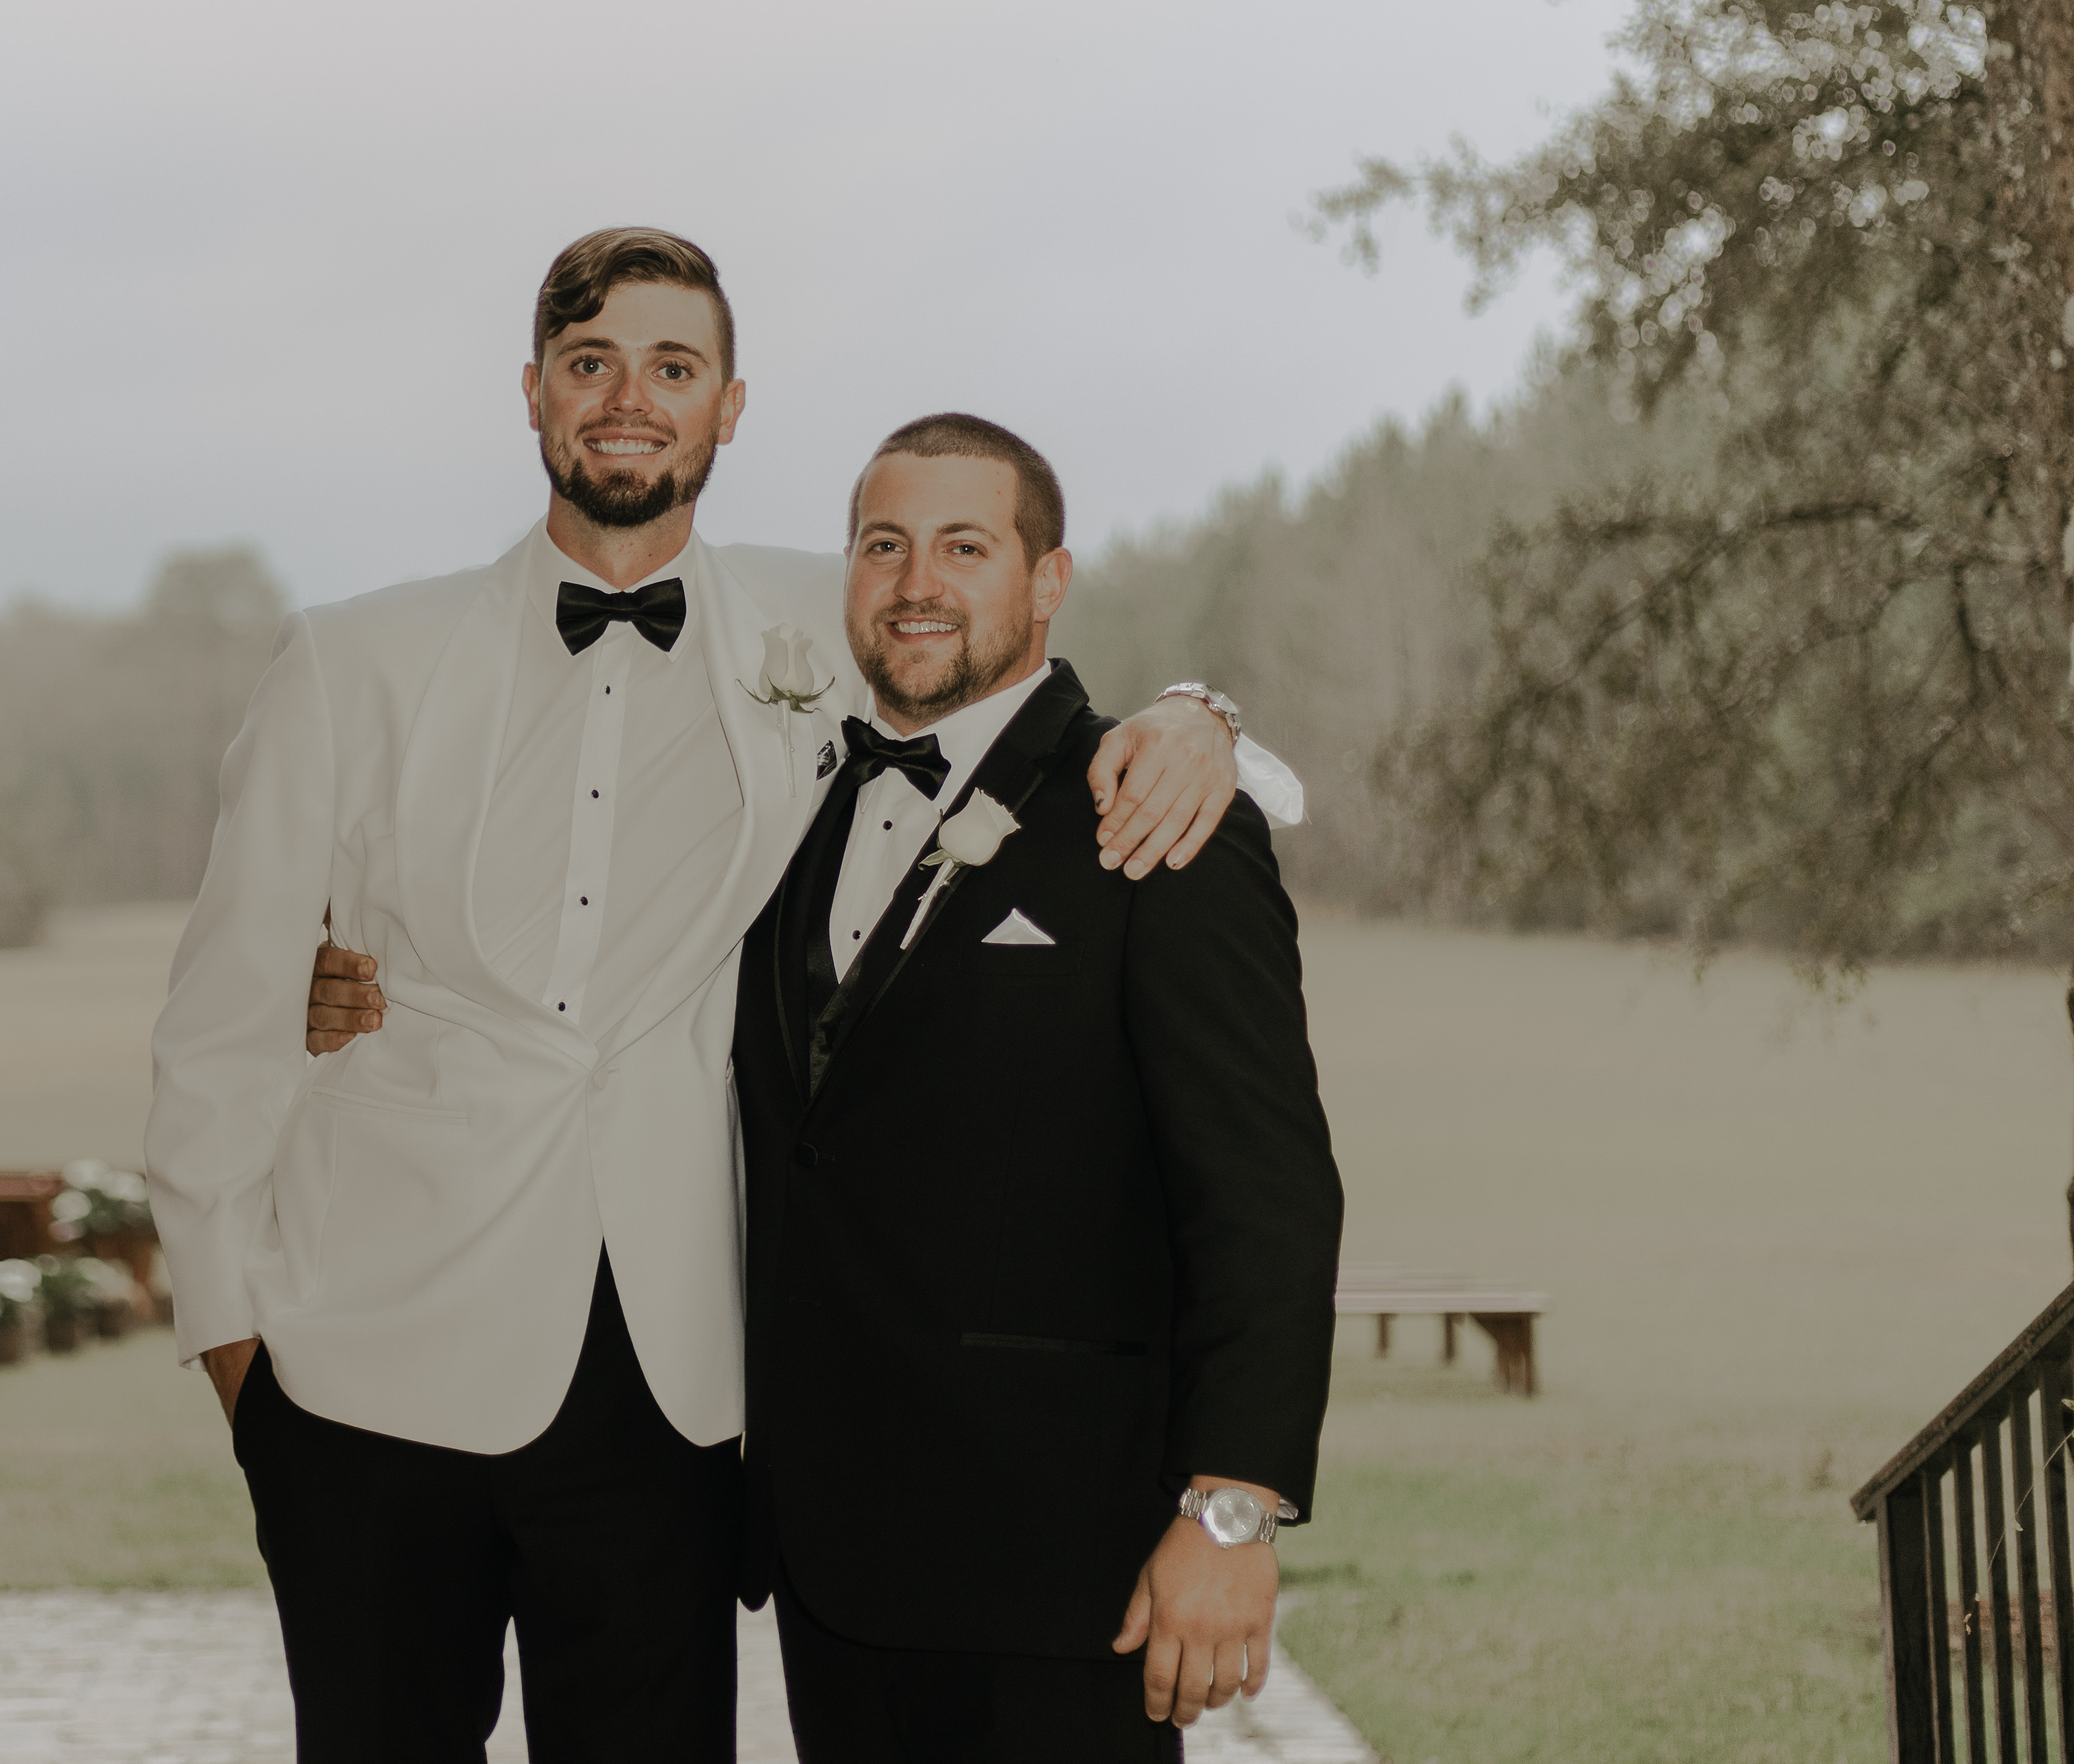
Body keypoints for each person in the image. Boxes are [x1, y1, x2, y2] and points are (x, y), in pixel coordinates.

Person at [146, 228, 1305, 1762]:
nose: (631, 397)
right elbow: (220, 1031)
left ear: (730, 406)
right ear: (535, 392)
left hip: (673, 1397)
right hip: (362, 1373)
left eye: (673, 366)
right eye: (591, 363)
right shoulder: (350, 661)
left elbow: (1011, 671)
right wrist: (243, 1363)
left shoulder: (830, 617)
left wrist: (1203, 718)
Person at [732, 413, 1341, 1760]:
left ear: (1047, 580)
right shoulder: (787, 804)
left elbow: (1267, 1193)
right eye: (883, 546)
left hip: (1066, 1561)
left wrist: (1233, 1509)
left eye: (965, 547)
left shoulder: (1166, 813)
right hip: (834, 1557)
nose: (916, 583)